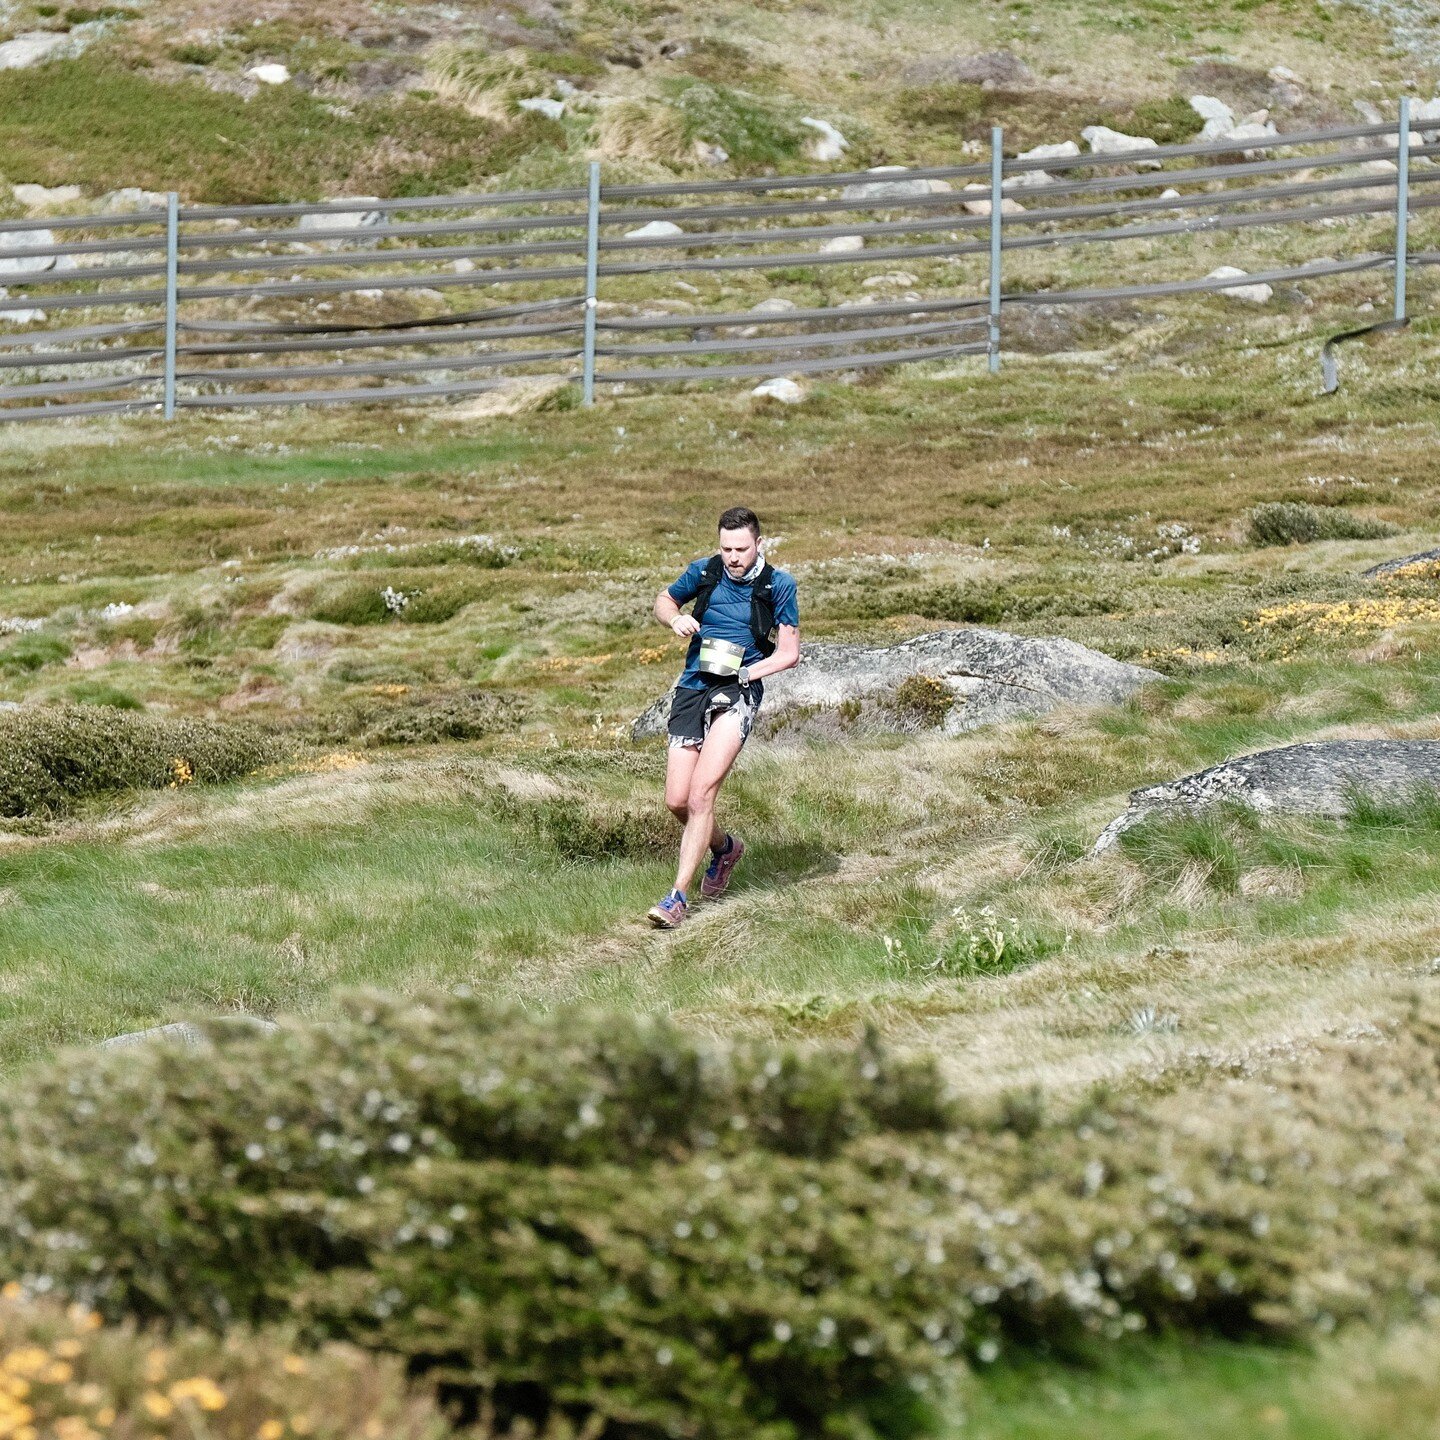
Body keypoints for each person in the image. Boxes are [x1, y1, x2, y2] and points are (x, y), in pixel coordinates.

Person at [646, 506, 800, 929]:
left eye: (742, 549)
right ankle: (726, 849)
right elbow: (663, 600)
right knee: (677, 800)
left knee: (701, 796)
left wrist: (748, 671)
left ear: (759, 544)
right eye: (726, 548)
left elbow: (789, 654)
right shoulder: (705, 571)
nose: (733, 557)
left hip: (739, 690)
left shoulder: (778, 585)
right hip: (694, 685)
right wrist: (675, 617)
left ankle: (677, 898)